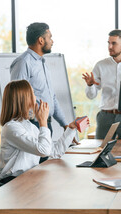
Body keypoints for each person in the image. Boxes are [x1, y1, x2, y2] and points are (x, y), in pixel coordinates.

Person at [0, 80, 92, 214]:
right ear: (23, 99)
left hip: (30, 180)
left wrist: (71, 129)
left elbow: (53, 152)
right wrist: (43, 122)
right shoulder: (11, 128)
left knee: (76, 202)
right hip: (15, 184)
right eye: (32, 94)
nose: (36, 98)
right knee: (72, 204)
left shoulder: (28, 126)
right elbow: (43, 150)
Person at [10, 22, 76, 156]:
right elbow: (18, 97)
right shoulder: (23, 63)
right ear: (41, 40)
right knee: (37, 171)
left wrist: (65, 126)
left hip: (44, 124)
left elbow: (52, 98)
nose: (52, 41)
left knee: (46, 166)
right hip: (31, 126)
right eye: (50, 37)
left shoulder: (42, 64)